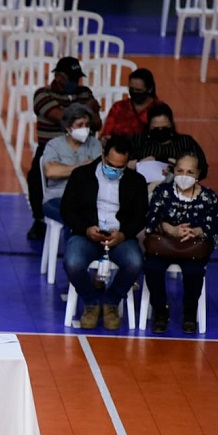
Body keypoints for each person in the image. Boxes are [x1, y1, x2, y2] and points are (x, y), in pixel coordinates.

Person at [60, 136, 148, 330]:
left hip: (120, 237)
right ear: (102, 156)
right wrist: (86, 229)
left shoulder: (137, 182)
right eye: (110, 164)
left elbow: (141, 216)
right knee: (72, 263)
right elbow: (67, 209)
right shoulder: (81, 175)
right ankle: (91, 303)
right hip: (87, 234)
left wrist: (124, 234)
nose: (114, 170)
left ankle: (111, 301)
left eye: (120, 167)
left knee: (135, 263)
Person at [143, 152, 218, 334]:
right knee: (152, 268)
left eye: (189, 172)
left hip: (192, 247)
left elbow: (214, 225)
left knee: (194, 271)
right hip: (163, 245)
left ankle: (189, 314)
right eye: (180, 170)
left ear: (197, 174)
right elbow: (150, 220)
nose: (184, 176)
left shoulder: (209, 196)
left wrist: (196, 231)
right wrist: (169, 228)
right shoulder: (162, 192)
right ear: (174, 171)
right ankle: (161, 312)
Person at [27, 57, 101, 240]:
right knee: (36, 175)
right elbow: (62, 118)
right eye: (72, 79)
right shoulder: (43, 94)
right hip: (51, 147)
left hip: (84, 147)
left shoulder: (85, 92)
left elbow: (97, 123)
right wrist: (87, 110)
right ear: (59, 77)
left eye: (78, 78)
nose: (76, 83)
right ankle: (39, 219)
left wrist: (86, 114)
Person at [40, 103, 103, 223]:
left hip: (87, 198)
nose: (85, 128)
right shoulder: (54, 145)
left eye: (87, 125)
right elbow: (51, 171)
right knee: (72, 216)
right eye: (80, 125)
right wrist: (84, 166)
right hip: (57, 197)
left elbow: (99, 171)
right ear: (68, 128)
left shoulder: (94, 144)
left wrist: (65, 169)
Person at [129, 103, 207, 188]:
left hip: (179, 191)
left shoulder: (185, 142)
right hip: (143, 192)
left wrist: (178, 167)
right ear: (149, 126)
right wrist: (139, 163)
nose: (160, 131)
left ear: (171, 125)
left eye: (164, 128)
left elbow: (202, 169)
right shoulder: (138, 141)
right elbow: (121, 166)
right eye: (156, 129)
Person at [100, 68, 164, 145]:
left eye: (138, 90)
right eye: (132, 89)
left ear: (150, 89)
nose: (134, 93)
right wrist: (105, 140)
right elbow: (106, 133)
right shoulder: (118, 107)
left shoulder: (160, 109)